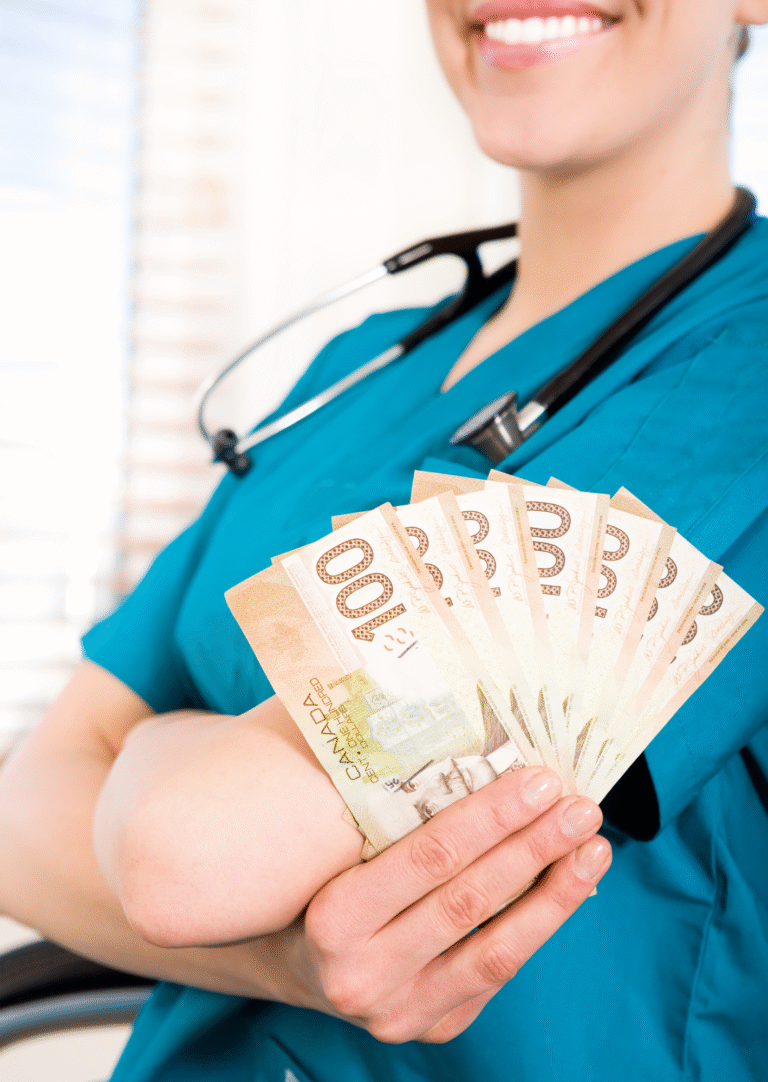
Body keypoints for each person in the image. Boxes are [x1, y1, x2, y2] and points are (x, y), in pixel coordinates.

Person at [1, 1, 767, 1079]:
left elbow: (191, 846)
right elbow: (19, 814)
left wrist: (148, 748)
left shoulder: (744, 389)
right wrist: (291, 962)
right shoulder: (361, 366)